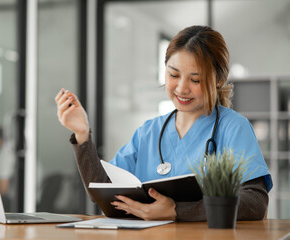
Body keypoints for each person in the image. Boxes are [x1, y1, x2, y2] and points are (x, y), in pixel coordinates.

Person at [55, 25, 272, 221]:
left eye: (195, 79)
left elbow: (255, 203)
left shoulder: (233, 127)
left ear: (218, 80)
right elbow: (104, 189)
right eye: (173, 75)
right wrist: (82, 134)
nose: (181, 88)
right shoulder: (149, 131)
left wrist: (178, 211)